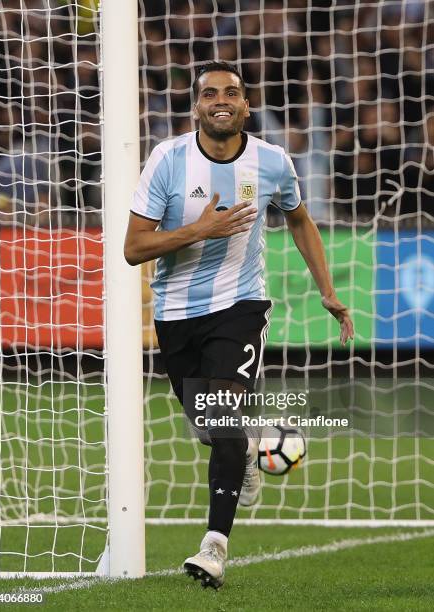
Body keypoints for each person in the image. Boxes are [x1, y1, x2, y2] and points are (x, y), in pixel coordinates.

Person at [124, 61, 354, 589]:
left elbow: (298, 218)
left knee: (223, 419)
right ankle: (249, 448)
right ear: (197, 106)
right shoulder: (168, 159)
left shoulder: (272, 162)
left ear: (246, 105)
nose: (220, 100)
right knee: (213, 431)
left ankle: (213, 548)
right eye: (210, 93)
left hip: (242, 306)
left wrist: (328, 291)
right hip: (176, 313)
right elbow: (134, 248)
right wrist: (198, 230)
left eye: (231, 92)